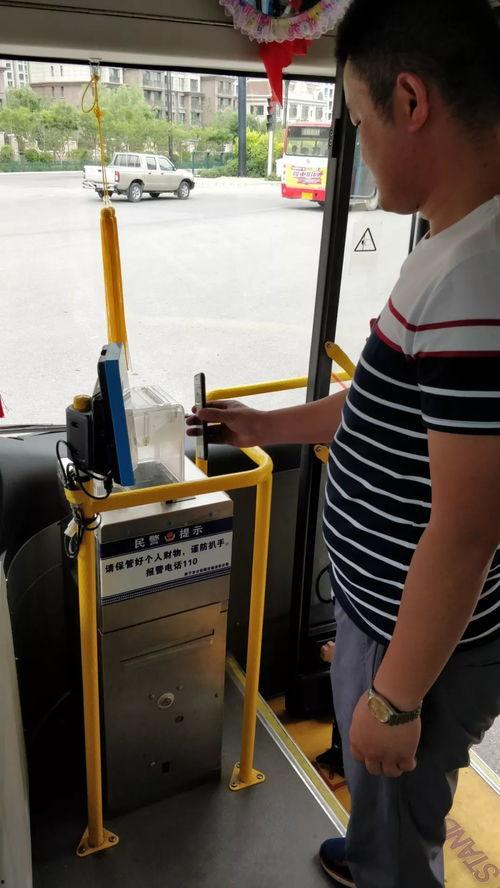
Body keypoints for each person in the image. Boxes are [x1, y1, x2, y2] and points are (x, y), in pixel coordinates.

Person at [187, 0, 500, 884]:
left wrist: (395, 699)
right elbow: (381, 404)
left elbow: (469, 528)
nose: (357, 147)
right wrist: (265, 427)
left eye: (358, 121)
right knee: (380, 804)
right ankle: (370, 853)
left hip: (421, 647)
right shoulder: (450, 241)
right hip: (391, 620)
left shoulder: (477, 279)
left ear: (411, 102)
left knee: (399, 821)